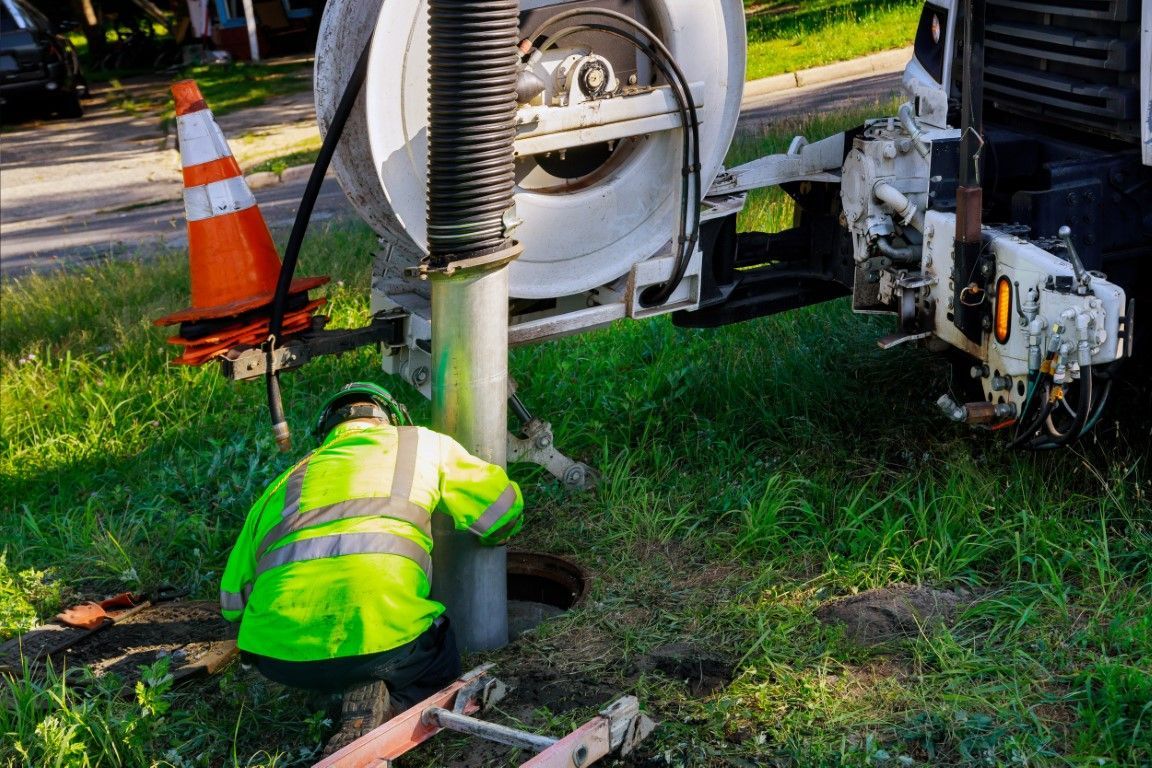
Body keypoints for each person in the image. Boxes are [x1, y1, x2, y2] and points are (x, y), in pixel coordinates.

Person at [219, 382, 524, 754]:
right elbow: (502, 512)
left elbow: (232, 603)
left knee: (329, 662)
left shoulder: (279, 486)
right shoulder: (421, 444)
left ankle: (333, 696)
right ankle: (392, 707)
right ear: (391, 419)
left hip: (281, 661)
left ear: (326, 435)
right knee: (438, 648)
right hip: (388, 645)